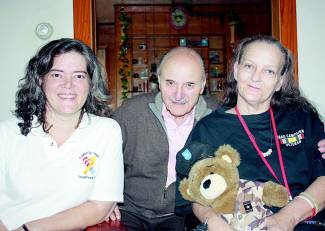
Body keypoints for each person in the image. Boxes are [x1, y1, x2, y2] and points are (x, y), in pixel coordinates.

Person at [175, 35, 325, 231]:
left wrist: (288, 217)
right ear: (236, 70)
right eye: (249, 66)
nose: (256, 77)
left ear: (280, 81)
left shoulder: (302, 118)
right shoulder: (208, 129)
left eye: (269, 71)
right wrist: (215, 223)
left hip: (304, 221)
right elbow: (195, 195)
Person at [0, 38, 124, 231]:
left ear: (91, 83)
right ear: (40, 79)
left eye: (79, 76)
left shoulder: (107, 131)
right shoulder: (6, 133)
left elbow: (101, 205)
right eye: (57, 75)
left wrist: (27, 229)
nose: (68, 85)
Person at [109, 47, 220, 231]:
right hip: (127, 212)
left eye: (189, 85)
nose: (178, 95)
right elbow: (102, 157)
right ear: (159, 81)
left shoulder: (217, 116)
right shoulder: (131, 111)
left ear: (202, 85)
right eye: (170, 83)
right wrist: (106, 198)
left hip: (181, 216)